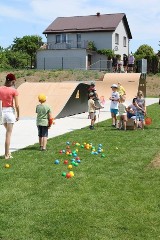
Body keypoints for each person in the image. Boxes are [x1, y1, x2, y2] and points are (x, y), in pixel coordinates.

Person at [0, 73, 19, 159]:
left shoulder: (0, 89)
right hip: (10, 112)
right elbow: (17, 105)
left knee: (7, 131)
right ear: (13, 81)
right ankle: (6, 154)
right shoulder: (14, 91)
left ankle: (8, 152)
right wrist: (18, 115)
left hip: (2, 112)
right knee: (8, 134)